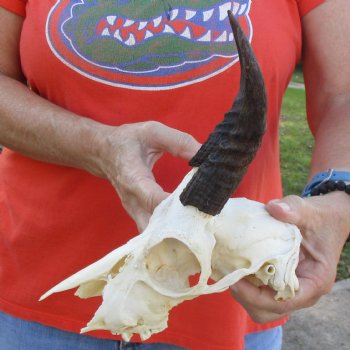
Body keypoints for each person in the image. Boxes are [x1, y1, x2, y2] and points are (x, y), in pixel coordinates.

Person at [0, 0, 349, 349]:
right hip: (35, 300)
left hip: (228, 305)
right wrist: (97, 146)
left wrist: (337, 197)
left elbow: (343, 94)